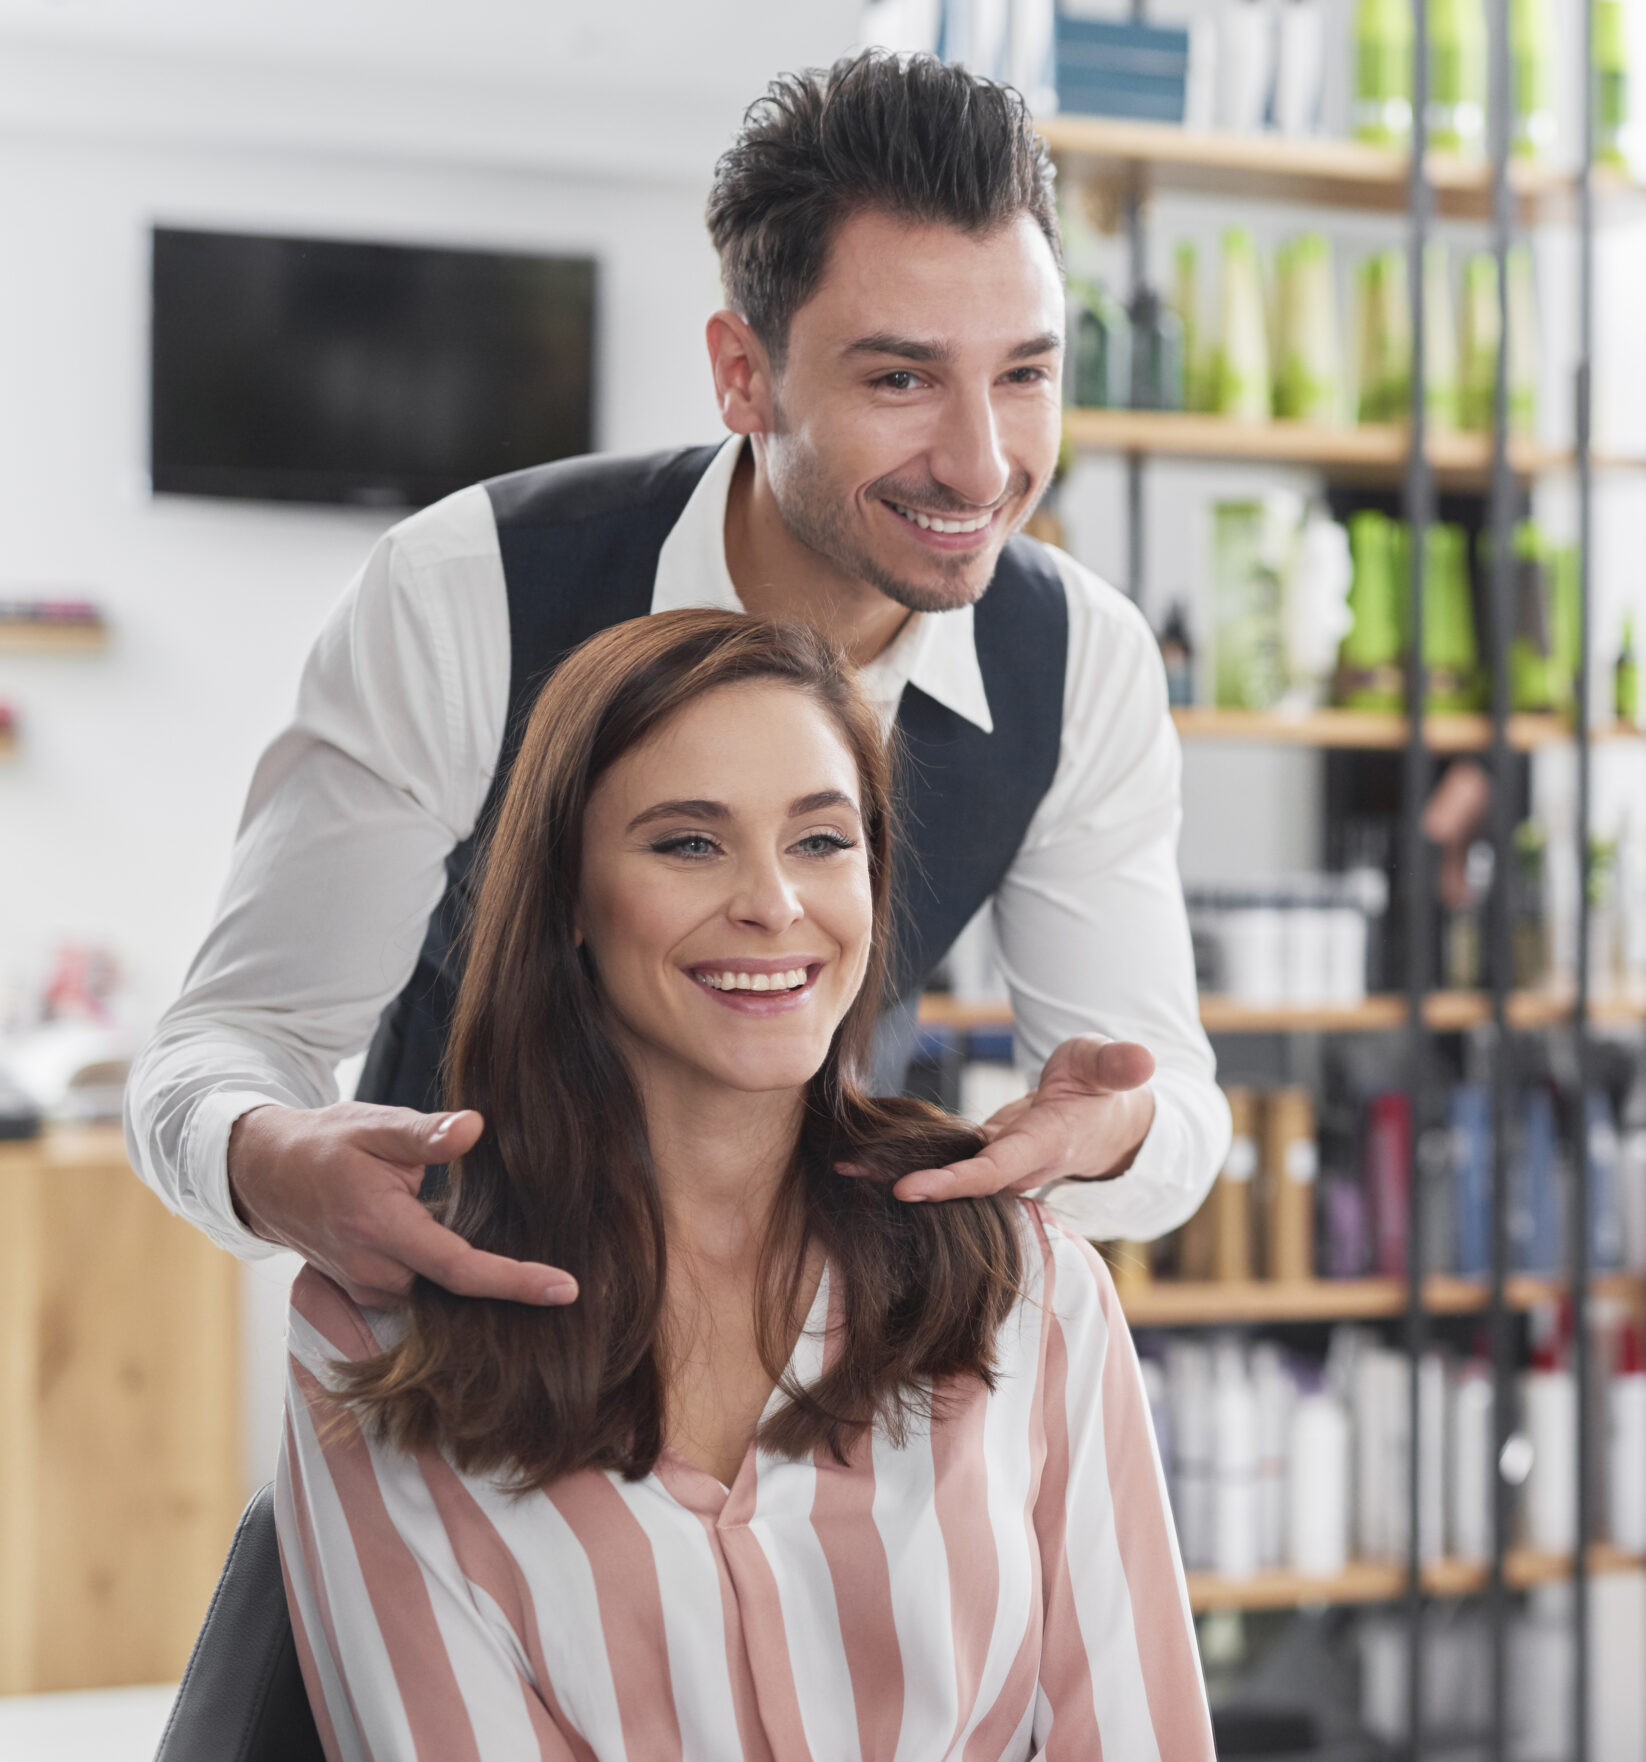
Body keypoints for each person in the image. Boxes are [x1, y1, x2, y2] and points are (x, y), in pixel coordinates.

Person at [127, 50, 1225, 1311]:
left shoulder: (1080, 662)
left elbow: (1172, 1111)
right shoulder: (464, 590)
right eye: (902, 378)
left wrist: (1111, 1140)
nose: (982, 468)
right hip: (465, 1387)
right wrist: (270, 1161)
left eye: (1025, 374)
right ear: (742, 372)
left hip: (804, 1385)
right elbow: (223, 1045)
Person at [278, 609, 1213, 1760]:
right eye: (688, 843)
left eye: (822, 841)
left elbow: (1135, 1733)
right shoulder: (375, 1323)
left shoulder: (1027, 1280)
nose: (774, 903)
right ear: (569, 895)